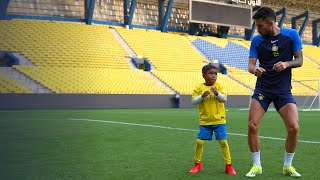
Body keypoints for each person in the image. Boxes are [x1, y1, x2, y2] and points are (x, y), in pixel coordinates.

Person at [246, 7, 303, 177]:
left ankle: (287, 166)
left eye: (260, 26)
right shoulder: (257, 40)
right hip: (263, 88)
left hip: (283, 90)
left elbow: (299, 60)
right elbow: (250, 65)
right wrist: (254, 69)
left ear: (271, 23)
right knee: (252, 125)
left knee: (293, 127)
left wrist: (286, 64)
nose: (258, 29)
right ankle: (256, 166)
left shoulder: (291, 35)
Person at [189, 64, 236, 176]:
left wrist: (217, 93)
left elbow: (224, 99)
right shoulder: (198, 88)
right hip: (205, 121)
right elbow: (193, 101)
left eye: (215, 74)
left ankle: (229, 166)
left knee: (223, 142)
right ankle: (197, 164)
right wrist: (202, 96)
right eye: (211, 73)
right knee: (199, 142)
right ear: (204, 75)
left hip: (219, 120)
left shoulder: (219, 87)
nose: (214, 76)